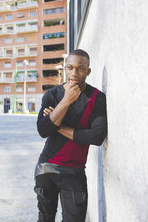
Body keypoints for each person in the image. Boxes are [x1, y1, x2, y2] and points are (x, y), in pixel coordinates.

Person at [34, 49, 107, 222]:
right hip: (47, 167)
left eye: (80, 68)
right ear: (65, 69)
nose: (74, 73)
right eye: (70, 67)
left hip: (74, 172)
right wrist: (66, 100)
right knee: (45, 219)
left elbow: (96, 137)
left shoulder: (97, 98)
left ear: (88, 71)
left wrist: (57, 126)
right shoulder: (51, 96)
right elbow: (43, 131)